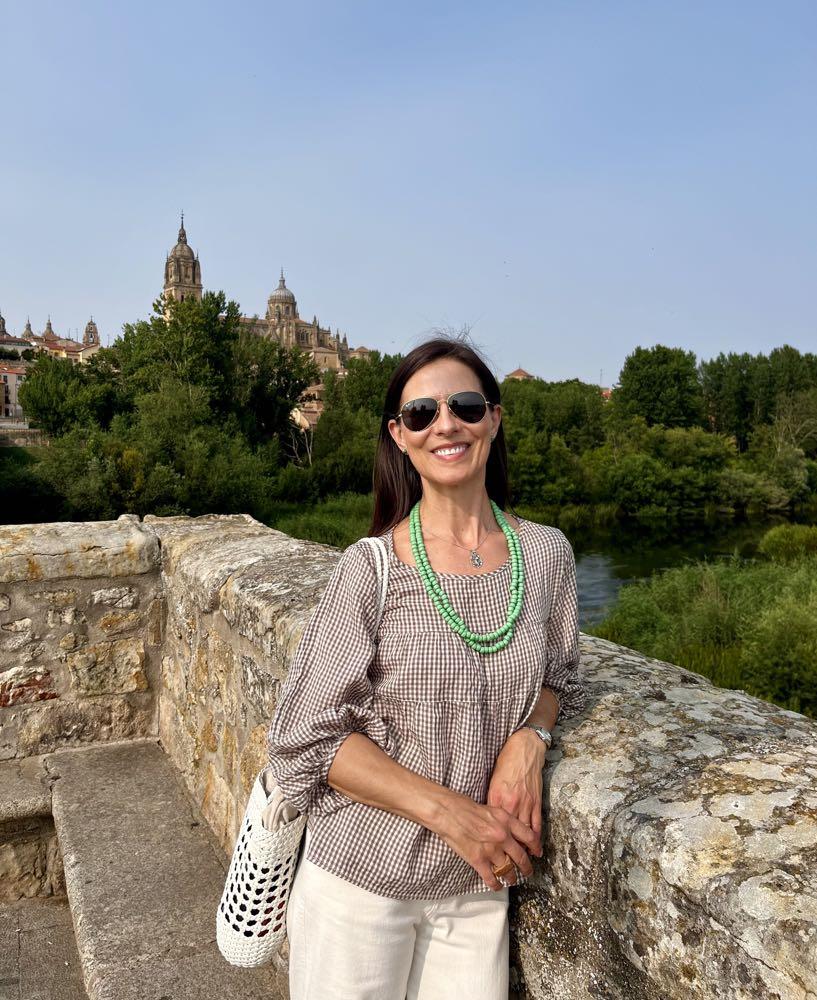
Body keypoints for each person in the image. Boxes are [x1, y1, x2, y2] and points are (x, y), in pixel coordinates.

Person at [266, 336, 585, 1000]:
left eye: (464, 405)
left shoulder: (548, 554)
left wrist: (531, 739)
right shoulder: (371, 567)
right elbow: (305, 738)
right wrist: (453, 815)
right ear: (400, 437)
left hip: (476, 887)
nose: (446, 423)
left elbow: (558, 673)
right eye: (421, 414)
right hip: (359, 885)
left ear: (493, 420)